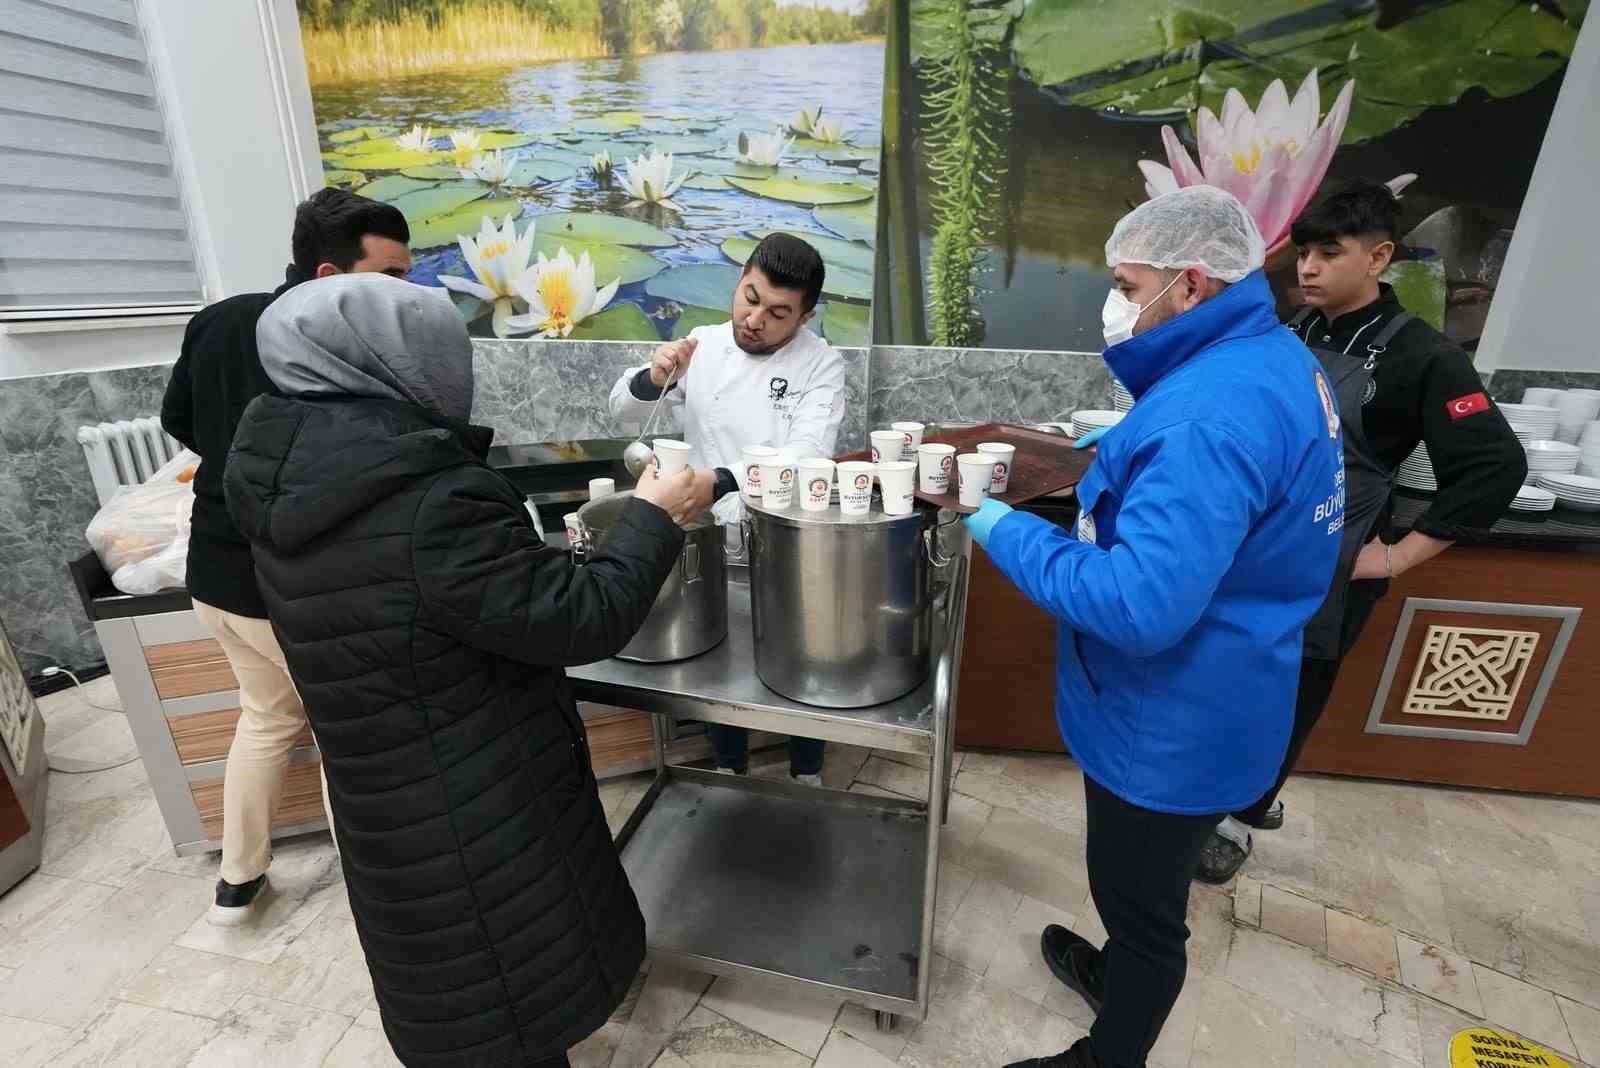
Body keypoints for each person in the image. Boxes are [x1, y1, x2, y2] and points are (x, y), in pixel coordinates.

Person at [224, 273, 700, 1068]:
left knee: (463, 1008)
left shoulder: (286, 475)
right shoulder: (427, 498)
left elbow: (434, 603)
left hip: (388, 807)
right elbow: (584, 618)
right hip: (477, 810)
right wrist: (653, 515)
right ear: (400, 366)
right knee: (510, 1009)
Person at [969, 187, 1346, 1068]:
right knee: (1144, 888)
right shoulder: (1271, 357)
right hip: (1231, 686)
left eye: (1122, 281)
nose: (1112, 299)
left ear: (1187, 285)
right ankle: (1122, 975)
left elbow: (1139, 606)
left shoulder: (1209, 415)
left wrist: (991, 520)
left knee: (1142, 905)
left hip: (1168, 723)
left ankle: (1114, 1049)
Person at [1196, 181, 1527, 882]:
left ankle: (1244, 816)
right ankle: (1225, 786)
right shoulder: (1299, 329)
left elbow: (1495, 467)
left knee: (1295, 691)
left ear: (1379, 257)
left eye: (1328, 252)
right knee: (1244, 678)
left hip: (1338, 560)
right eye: (1303, 252)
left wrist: (1398, 556)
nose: (1307, 268)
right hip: (1264, 546)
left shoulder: (1426, 357)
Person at [160, 187, 411, 925]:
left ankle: (238, 883)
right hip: (281, 586)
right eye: (391, 277)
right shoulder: (327, 354)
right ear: (333, 277)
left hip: (212, 575)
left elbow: (180, 419)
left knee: (267, 716)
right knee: (346, 731)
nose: (406, 294)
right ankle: (378, 898)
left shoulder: (220, 320)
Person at [607, 232, 845, 786]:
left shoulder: (821, 365)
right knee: (716, 652)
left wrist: (725, 481)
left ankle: (806, 767)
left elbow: (809, 455)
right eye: (750, 296)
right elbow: (622, 411)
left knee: (801, 646)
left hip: (786, 531)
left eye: (778, 312)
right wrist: (653, 377)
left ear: (804, 318)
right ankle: (728, 763)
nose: (756, 318)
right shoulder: (703, 345)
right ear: (740, 277)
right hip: (709, 532)